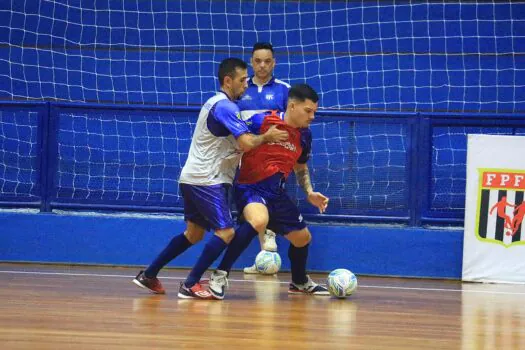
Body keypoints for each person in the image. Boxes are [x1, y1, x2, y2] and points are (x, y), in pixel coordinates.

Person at [132, 57, 288, 299]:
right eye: (242, 80)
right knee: (226, 233)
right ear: (228, 81)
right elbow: (246, 143)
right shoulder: (224, 106)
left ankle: (149, 275)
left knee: (193, 234)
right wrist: (266, 137)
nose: (246, 84)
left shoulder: (222, 106)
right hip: (208, 179)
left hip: (193, 178)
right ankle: (190, 283)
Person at [207, 84, 330, 299]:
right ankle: (220, 274)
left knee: (303, 238)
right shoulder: (262, 120)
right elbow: (237, 138)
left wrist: (309, 191)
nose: (312, 116)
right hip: (250, 187)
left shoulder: (304, 136)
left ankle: (299, 282)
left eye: (314, 112)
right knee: (258, 221)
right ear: (292, 106)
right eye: (308, 111)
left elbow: (300, 167)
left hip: (276, 193)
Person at [237, 42, 291, 274]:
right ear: (251, 62)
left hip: (273, 158)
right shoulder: (241, 88)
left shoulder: (284, 89)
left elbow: (290, 122)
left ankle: (268, 246)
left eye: (267, 61)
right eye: (258, 61)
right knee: (250, 205)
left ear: (274, 62)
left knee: (267, 200)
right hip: (245, 154)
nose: (262, 65)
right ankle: (264, 261)